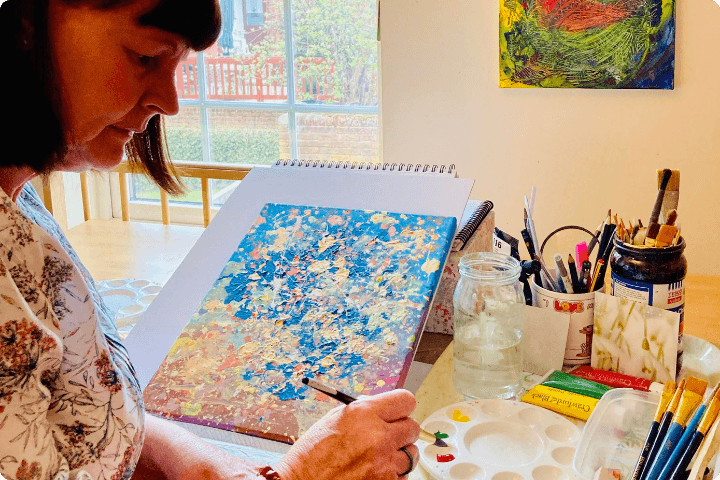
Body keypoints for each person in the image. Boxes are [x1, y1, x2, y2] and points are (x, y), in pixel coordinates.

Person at [0, 0, 421, 479]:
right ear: (23, 24)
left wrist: (192, 460)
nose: (171, 102)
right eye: (146, 57)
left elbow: (78, 413)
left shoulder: (19, 199)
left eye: (176, 65)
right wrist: (304, 472)